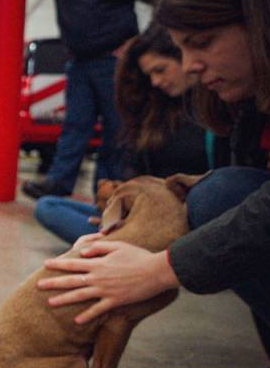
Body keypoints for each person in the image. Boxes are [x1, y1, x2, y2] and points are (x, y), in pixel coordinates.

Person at [37, 0, 270, 368]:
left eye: (202, 43)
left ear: (264, 20)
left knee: (220, 196)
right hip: (156, 210)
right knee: (221, 193)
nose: (191, 66)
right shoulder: (250, 100)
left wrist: (158, 267)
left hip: (171, 220)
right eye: (182, 49)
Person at [33, 24, 227, 244]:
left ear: (182, 58)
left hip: (184, 219)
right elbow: (135, 168)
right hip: (141, 210)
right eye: (149, 75)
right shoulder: (156, 110)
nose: (155, 82)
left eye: (160, 70)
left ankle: (117, 244)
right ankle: (116, 240)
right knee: (49, 206)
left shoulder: (212, 112)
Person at [20, 0, 167, 200]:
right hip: (78, 64)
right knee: (75, 126)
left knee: (117, 128)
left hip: (115, 64)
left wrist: (144, 41)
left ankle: (107, 189)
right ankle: (58, 183)